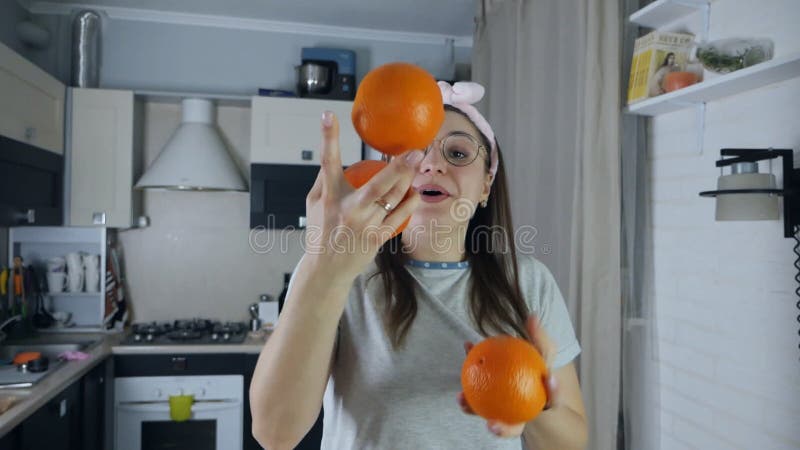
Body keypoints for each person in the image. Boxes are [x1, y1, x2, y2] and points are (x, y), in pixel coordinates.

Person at [250, 81, 588, 450]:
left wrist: (532, 402)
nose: (432, 164)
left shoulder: (528, 281)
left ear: (486, 185)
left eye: (458, 154)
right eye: (413, 153)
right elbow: (274, 434)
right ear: (388, 177)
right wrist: (325, 270)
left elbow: (571, 442)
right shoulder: (333, 269)